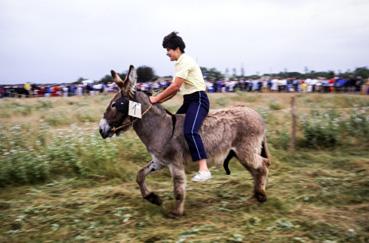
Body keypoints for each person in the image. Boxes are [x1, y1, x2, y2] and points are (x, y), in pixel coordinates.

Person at [149, 31, 211, 182]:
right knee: (171, 128)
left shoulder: (185, 61)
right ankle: (175, 160)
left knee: (190, 131)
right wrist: (156, 102)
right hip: (189, 101)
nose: (167, 54)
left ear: (176, 49)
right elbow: (174, 90)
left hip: (198, 100)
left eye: (168, 51)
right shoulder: (179, 64)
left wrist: (157, 97)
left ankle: (204, 170)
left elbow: (175, 87)